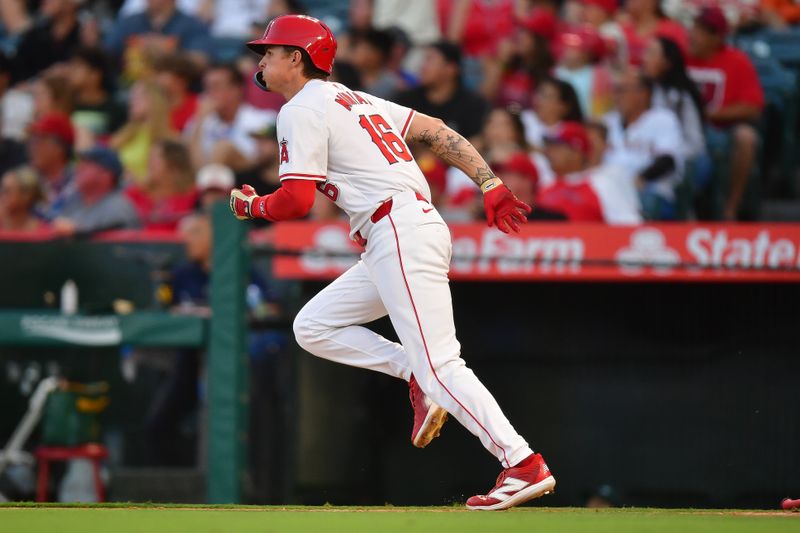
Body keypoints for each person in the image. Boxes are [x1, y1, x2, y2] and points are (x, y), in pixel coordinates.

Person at [229, 14, 553, 511]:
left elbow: (294, 203)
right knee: (313, 326)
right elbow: (437, 130)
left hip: (398, 231)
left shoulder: (300, 108)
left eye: (270, 51)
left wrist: (253, 206)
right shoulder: (352, 98)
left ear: (297, 58)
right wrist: (488, 181)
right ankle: (413, 374)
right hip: (401, 231)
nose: (263, 59)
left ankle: (522, 463)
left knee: (442, 363)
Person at [686, 6, 764, 220]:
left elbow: (752, 107)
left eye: (702, 32)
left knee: (746, 137)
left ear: (717, 37)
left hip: (721, 128)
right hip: (684, 127)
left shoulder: (737, 61)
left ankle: (731, 207)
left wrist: (711, 115)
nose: (694, 35)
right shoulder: (683, 57)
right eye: (695, 29)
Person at [603, 69, 685, 219]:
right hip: (609, 189)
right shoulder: (607, 122)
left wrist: (641, 178)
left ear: (644, 94)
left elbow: (667, 160)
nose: (616, 95)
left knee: (646, 202)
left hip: (648, 188)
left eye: (622, 90)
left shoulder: (662, 119)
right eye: (616, 90)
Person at [537, 121, 642, 224]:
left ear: (576, 152)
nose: (548, 152)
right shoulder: (545, 184)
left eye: (556, 147)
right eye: (549, 147)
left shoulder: (602, 184)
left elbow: (629, 225)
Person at [185, 64, 276, 171]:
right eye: (206, 87)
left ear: (236, 90)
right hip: (205, 176)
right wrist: (199, 120)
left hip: (249, 179)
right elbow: (186, 159)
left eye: (215, 86)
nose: (209, 93)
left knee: (224, 148)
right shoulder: (201, 121)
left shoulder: (263, 120)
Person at [394, 41, 489, 140]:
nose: (423, 67)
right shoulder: (406, 100)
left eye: (430, 60)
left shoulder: (473, 106)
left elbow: (476, 141)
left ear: (450, 69)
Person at [641, 36, 706, 161]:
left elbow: (695, 143)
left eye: (651, 54)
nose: (644, 59)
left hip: (679, 160)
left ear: (667, 63)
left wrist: (665, 153)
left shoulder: (680, 98)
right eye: (646, 52)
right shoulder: (638, 92)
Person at [52, 146, 141, 235]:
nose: (79, 169)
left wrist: (75, 231)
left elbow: (104, 237)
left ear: (106, 175)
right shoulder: (75, 204)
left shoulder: (118, 206)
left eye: (87, 165)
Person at [125, 138, 198, 230]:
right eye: (149, 158)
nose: (149, 162)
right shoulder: (134, 194)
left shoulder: (193, 196)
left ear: (173, 162)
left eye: (154, 158)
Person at [110, 80, 174, 184]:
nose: (131, 102)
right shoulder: (124, 134)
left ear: (154, 100)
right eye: (131, 97)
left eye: (137, 97)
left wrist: (132, 177)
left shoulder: (168, 139)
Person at [10, 0, 82, 83]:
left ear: (70, 5)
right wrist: (45, 76)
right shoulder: (35, 34)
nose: (44, 1)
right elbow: (17, 74)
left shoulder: (85, 35)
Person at [68, 47, 127, 146]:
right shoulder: (68, 104)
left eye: (78, 66)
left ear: (95, 75)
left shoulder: (116, 109)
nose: (71, 71)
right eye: (72, 66)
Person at [27, 113, 75, 219]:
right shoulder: (23, 181)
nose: (32, 146)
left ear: (60, 147)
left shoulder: (81, 183)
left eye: (39, 140)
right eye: (32, 139)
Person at [0, 166, 46, 231]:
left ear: (26, 196)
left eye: (7, 191)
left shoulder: (45, 233)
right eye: (1, 190)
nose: (1, 196)